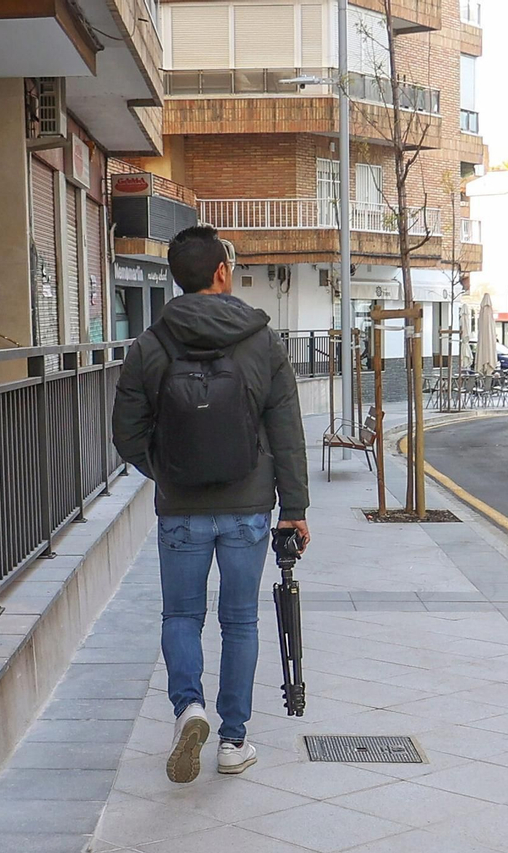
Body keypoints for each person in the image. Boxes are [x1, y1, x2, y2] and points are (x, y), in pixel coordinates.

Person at [112, 226, 310, 784]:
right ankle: (232, 741)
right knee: (239, 620)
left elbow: (127, 434)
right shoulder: (262, 340)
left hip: (180, 511)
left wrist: (169, 472)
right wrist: (293, 506)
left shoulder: (150, 345)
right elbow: (287, 428)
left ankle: (188, 710)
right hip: (249, 506)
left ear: (176, 277)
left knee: (181, 615)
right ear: (222, 272)